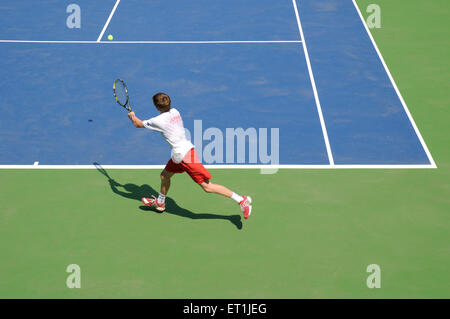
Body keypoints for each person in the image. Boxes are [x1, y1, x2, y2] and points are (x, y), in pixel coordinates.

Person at [127, 92, 252, 219]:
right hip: (179, 154)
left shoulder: (157, 121)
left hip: (185, 157)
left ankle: (241, 200)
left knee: (207, 187)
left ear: (156, 106)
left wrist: (132, 116)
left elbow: (137, 124)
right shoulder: (175, 111)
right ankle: (160, 202)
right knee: (164, 176)